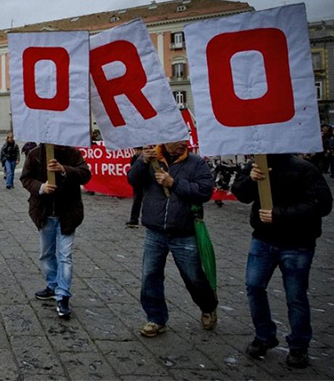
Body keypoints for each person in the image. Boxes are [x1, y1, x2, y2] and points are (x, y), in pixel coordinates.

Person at [231, 154, 332, 368]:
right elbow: (241, 194)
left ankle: (299, 345)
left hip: (297, 243)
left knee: (295, 296)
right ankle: (264, 335)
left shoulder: (304, 168)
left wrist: (279, 214)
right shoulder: (256, 165)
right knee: (254, 286)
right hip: (263, 239)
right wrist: (251, 179)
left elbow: (322, 204)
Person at [127, 141, 218, 337]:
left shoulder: (196, 163)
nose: (182, 144)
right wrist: (142, 161)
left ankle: (208, 306)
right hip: (155, 230)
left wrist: (174, 183)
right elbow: (133, 181)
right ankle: (156, 318)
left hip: (184, 231)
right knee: (150, 276)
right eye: (177, 141)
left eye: (184, 141)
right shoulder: (151, 159)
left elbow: (204, 192)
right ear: (166, 142)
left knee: (193, 276)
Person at [20, 144, 91, 319]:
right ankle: (52, 285)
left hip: (67, 213)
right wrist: (41, 187)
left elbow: (85, 174)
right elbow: (26, 178)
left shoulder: (72, 153)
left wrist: (64, 169)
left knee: (65, 256)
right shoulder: (35, 154)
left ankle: (63, 295)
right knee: (46, 254)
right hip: (45, 214)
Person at [126, 147, 144, 227]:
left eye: (138, 150)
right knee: (136, 201)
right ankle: (134, 219)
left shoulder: (145, 158)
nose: (136, 152)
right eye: (135, 150)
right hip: (137, 183)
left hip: (144, 182)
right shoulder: (135, 158)